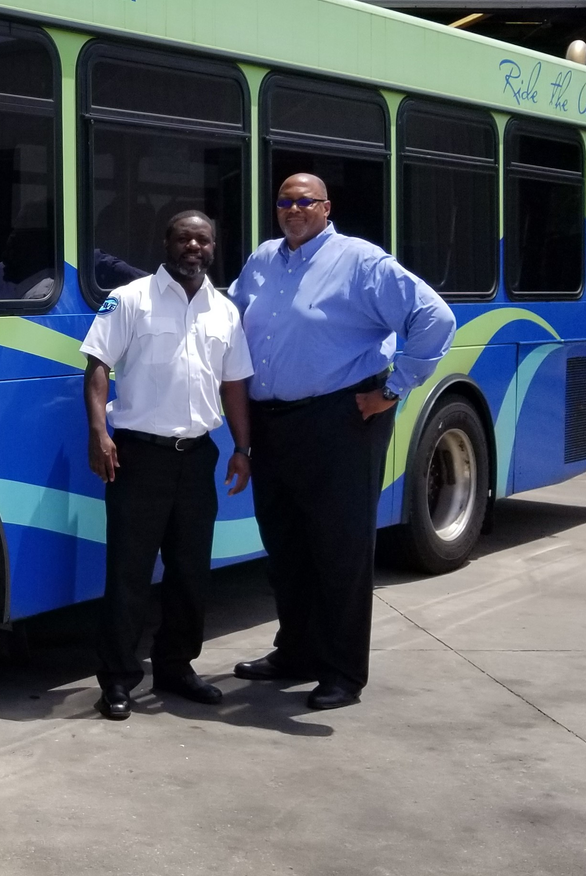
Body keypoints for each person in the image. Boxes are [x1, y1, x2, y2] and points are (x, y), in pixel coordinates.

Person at [229, 174, 455, 710]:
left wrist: (394, 389)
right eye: (284, 201)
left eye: (304, 201)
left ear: (326, 207)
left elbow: (434, 318)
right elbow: (228, 319)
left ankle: (343, 671)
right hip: (272, 421)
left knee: (340, 548)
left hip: (342, 418)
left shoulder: (361, 262)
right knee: (286, 544)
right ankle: (296, 651)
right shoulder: (262, 260)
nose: (292, 209)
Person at [81, 211, 252, 722]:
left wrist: (243, 448)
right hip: (138, 457)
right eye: (184, 238)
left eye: (203, 239)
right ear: (166, 243)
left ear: (214, 248)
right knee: (129, 575)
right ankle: (117, 680)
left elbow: (235, 386)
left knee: (190, 572)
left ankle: (176, 668)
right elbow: (97, 367)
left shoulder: (225, 311)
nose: (193, 247)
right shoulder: (131, 299)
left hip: (198, 457)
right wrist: (98, 433)